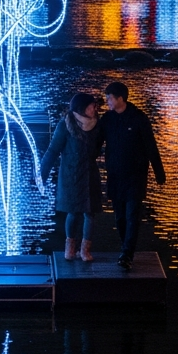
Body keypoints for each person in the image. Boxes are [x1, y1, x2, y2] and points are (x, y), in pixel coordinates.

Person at [97, 82, 165, 269]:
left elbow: (151, 146)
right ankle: (124, 247)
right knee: (119, 217)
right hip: (115, 176)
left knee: (132, 215)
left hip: (135, 176)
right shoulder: (107, 120)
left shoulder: (139, 118)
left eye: (109, 98)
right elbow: (96, 143)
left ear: (120, 98)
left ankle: (127, 253)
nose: (107, 101)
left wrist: (159, 173)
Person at [40, 93, 103, 263]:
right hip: (71, 175)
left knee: (90, 213)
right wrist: (42, 174)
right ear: (81, 108)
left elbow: (98, 148)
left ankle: (85, 250)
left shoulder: (97, 125)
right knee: (73, 212)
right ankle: (70, 248)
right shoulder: (66, 124)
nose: (94, 109)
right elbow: (53, 150)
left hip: (89, 173)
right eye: (90, 106)